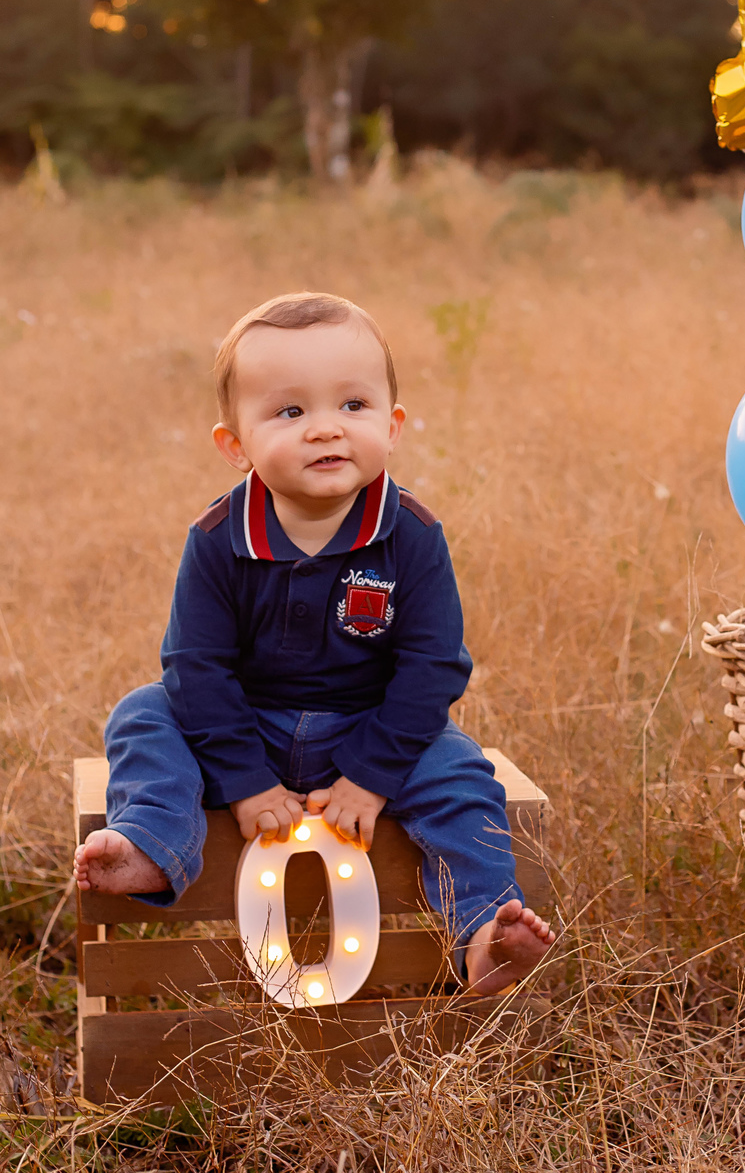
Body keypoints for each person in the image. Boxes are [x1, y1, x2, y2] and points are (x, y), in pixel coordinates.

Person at [73, 291, 553, 996]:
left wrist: (371, 775)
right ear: (235, 446)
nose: (326, 428)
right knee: (142, 714)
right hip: (246, 727)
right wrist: (244, 781)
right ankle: (153, 840)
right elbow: (195, 668)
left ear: (392, 426)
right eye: (291, 411)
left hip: (371, 726)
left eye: (353, 405)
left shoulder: (412, 534)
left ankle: (485, 931)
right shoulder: (217, 539)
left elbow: (431, 668)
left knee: (461, 775)